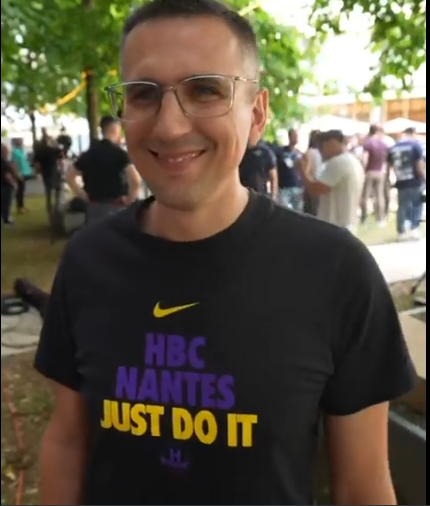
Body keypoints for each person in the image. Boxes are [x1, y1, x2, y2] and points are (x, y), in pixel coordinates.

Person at [35, 1, 416, 505]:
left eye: (205, 90)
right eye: (144, 93)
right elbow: (68, 441)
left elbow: (363, 485)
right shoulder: (88, 260)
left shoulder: (336, 270)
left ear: (256, 114)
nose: (170, 126)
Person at [66, 115, 142, 223]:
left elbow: (69, 177)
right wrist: (130, 199)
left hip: (94, 207)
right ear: (114, 129)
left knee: (97, 233)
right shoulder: (120, 154)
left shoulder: (89, 154)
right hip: (117, 207)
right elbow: (136, 180)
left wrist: (83, 195)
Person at [300, 130, 364, 231]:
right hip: (346, 223)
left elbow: (315, 189)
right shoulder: (353, 160)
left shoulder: (338, 162)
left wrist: (302, 171)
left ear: (332, 142)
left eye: (321, 146)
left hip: (335, 226)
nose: (320, 151)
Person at [387, 127, 426, 241]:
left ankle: (401, 231)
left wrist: (389, 180)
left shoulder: (394, 147)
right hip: (414, 180)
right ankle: (414, 229)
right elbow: (419, 166)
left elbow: (389, 165)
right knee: (416, 205)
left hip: (400, 180)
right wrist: (424, 178)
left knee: (402, 206)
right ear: (413, 133)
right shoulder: (415, 146)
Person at [360, 125, 388, 226]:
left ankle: (364, 218)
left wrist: (363, 170)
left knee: (365, 196)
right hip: (380, 171)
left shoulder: (367, 143)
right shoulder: (383, 144)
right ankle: (380, 219)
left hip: (370, 171)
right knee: (380, 196)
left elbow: (365, 158)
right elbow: (385, 158)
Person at [33, 134, 63, 214]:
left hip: (45, 172)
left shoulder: (39, 152)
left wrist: (36, 172)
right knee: (58, 188)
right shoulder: (53, 150)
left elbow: (36, 163)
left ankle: (49, 206)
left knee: (48, 189)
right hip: (54, 170)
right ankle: (57, 205)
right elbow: (60, 158)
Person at [275, 128, 304, 211]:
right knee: (284, 211)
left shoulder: (300, 153)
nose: (296, 138)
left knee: (299, 212)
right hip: (284, 187)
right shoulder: (280, 152)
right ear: (289, 137)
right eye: (294, 136)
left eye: (297, 136)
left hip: (297, 187)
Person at [303, 129, 323, 216]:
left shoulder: (311, 152)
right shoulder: (312, 152)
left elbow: (305, 171)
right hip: (314, 186)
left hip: (314, 186)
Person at [11, 138, 33, 214]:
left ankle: (22, 206)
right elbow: (14, 163)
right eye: (20, 142)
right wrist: (17, 173)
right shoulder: (15, 152)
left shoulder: (22, 151)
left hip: (25, 172)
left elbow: (25, 162)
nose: (21, 143)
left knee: (22, 189)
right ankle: (20, 207)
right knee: (20, 190)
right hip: (20, 173)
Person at [1, 143, 17, 225]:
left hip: (4, 184)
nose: (7, 152)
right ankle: (6, 220)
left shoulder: (5, 161)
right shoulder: (3, 162)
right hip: (5, 185)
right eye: (6, 150)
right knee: (6, 202)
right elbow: (7, 174)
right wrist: (12, 183)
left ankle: (6, 217)